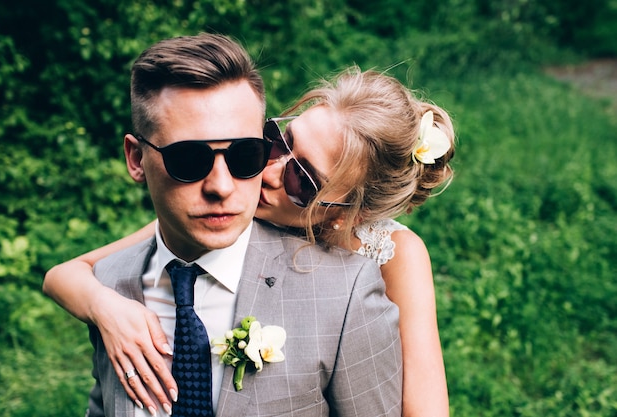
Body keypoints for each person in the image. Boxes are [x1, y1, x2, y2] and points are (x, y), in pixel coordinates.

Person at [44, 63, 453, 415]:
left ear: (345, 215)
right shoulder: (227, 214)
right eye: (277, 141)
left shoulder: (393, 256)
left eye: (302, 179)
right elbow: (70, 273)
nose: (269, 171)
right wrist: (107, 308)